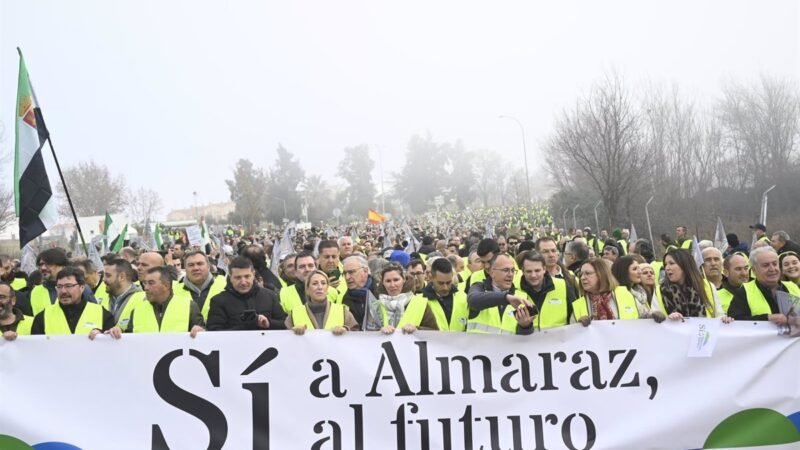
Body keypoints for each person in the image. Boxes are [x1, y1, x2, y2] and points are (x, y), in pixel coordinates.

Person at [30, 267, 116, 338]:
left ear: (82, 288)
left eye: (68, 286)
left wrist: (103, 336)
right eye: (59, 286)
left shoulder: (102, 314)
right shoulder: (42, 317)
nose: (63, 291)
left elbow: (112, 347)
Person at [206, 256, 287, 331]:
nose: (243, 282)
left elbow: (285, 324)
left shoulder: (270, 296)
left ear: (253, 275)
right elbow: (214, 332)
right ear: (230, 278)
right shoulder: (218, 301)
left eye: (247, 276)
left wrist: (269, 323)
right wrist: (245, 326)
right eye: (238, 277)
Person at [119, 266, 204, 336]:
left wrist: (201, 331)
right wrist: (118, 332)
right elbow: (128, 339)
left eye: (151, 283)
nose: (146, 288)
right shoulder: (137, 310)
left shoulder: (189, 306)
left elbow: (204, 337)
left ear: (166, 285)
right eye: (145, 283)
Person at [653, 249, 729, 322]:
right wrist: (668, 319)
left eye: (672, 263)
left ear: (684, 265)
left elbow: (719, 314)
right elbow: (654, 320)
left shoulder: (706, 286)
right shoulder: (659, 290)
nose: (667, 268)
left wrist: (725, 320)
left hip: (703, 333)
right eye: (665, 264)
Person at [466, 254, 533, 335]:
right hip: (480, 347)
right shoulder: (479, 288)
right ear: (492, 272)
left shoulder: (522, 296)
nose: (510, 274)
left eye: (512, 270)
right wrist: (506, 298)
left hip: (509, 347)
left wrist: (525, 326)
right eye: (505, 270)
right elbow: (473, 301)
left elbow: (525, 338)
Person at [729, 247, 798, 324]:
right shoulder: (744, 292)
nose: (772, 269)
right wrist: (767, 318)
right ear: (754, 270)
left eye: (775, 264)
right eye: (766, 265)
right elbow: (735, 322)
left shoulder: (793, 287)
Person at [26, 248, 97, 317]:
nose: (43, 268)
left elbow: (95, 314)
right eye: (41, 264)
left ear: (62, 266)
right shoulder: (36, 291)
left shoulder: (79, 287)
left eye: (49, 264)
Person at [285, 270, 358, 335]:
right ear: (307, 289)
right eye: (314, 283)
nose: (319, 287)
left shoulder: (343, 312)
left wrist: (346, 330)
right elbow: (284, 340)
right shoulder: (294, 314)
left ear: (328, 288)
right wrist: (292, 332)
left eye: (323, 283)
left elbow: (357, 336)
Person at [516, 252, 575, 330]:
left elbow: (575, 314)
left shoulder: (563, 285)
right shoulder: (515, 290)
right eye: (529, 271)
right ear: (523, 271)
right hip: (527, 340)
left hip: (558, 340)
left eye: (537, 271)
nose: (533, 275)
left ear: (544, 269)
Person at [572, 258, 640, 325]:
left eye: (588, 273)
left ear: (601, 274)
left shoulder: (625, 294)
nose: (582, 278)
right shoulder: (578, 305)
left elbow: (643, 317)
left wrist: (648, 316)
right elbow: (572, 332)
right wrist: (579, 325)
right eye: (581, 274)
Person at [374, 263, 438, 334]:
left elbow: (434, 332)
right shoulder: (375, 306)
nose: (392, 285)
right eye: (388, 281)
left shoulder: (420, 303)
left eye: (396, 280)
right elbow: (367, 333)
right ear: (382, 283)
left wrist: (417, 329)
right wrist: (379, 332)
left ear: (403, 280)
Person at [416, 258, 469, 331]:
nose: (445, 287)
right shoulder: (419, 301)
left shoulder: (464, 298)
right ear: (431, 277)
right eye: (441, 283)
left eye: (448, 282)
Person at [173, 250, 227, 320]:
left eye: (200, 264)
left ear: (208, 266)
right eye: (191, 265)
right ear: (185, 269)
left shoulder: (224, 286)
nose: (195, 268)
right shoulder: (174, 291)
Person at [611, 256, 662, 321]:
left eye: (639, 268)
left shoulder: (641, 294)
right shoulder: (614, 294)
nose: (639, 272)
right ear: (624, 272)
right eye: (635, 269)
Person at [102, 258, 145, 329]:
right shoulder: (104, 298)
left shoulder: (142, 299)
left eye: (108, 275)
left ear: (121, 277)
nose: (103, 279)